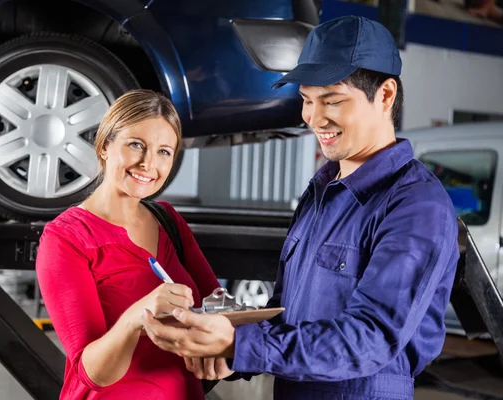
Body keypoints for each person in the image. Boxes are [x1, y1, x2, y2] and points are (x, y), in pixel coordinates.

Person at [140, 15, 460, 400]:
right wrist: (230, 348)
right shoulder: (320, 191)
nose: (314, 117)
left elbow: (372, 338)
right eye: (307, 100)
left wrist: (244, 345)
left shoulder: (415, 204)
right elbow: (286, 314)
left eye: (332, 100)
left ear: (386, 95)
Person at [35, 89, 221, 400]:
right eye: (136, 145)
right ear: (106, 145)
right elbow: (93, 373)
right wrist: (138, 316)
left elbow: (215, 309)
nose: (148, 163)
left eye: (164, 151)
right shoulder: (67, 238)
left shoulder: (168, 221)